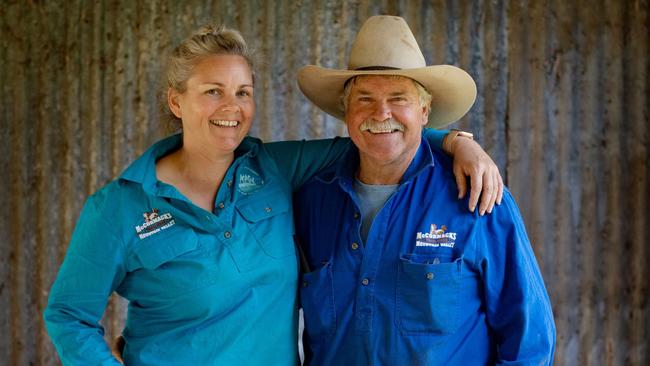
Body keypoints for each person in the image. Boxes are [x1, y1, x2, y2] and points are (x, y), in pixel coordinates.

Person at [43, 25, 503, 365]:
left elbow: (381, 134)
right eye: (212, 91)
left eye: (243, 92)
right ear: (176, 101)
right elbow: (68, 315)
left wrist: (457, 141)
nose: (231, 107)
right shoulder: (119, 206)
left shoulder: (277, 169)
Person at [294, 15, 556, 365]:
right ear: (346, 110)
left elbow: (529, 341)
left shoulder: (476, 195)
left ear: (425, 110)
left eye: (398, 98)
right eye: (365, 99)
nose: (381, 112)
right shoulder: (311, 200)